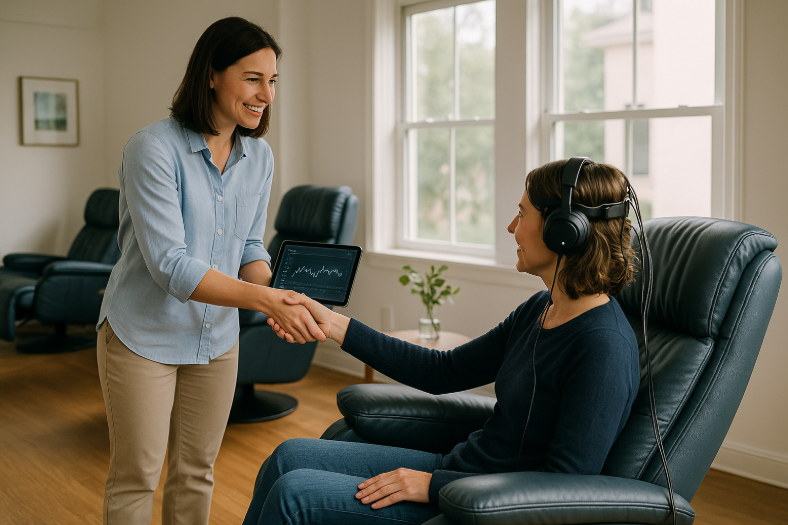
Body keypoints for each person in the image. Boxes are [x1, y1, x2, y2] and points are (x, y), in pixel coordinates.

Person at [242, 159, 642, 525]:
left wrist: (434, 486)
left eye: (521, 214)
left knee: (293, 496)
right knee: (286, 457)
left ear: (564, 232)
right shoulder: (541, 307)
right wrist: (331, 323)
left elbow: (566, 486)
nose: (510, 227)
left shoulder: (602, 347)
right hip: (457, 472)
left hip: (483, 506)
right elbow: (442, 371)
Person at [95, 17, 325, 525]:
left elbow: (248, 245)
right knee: (137, 475)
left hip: (215, 339)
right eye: (252, 78)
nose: (266, 94)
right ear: (211, 75)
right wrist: (266, 302)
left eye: (272, 81)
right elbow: (171, 266)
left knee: (197, 471)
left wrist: (283, 294)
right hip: (142, 336)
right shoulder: (152, 148)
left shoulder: (258, 155)